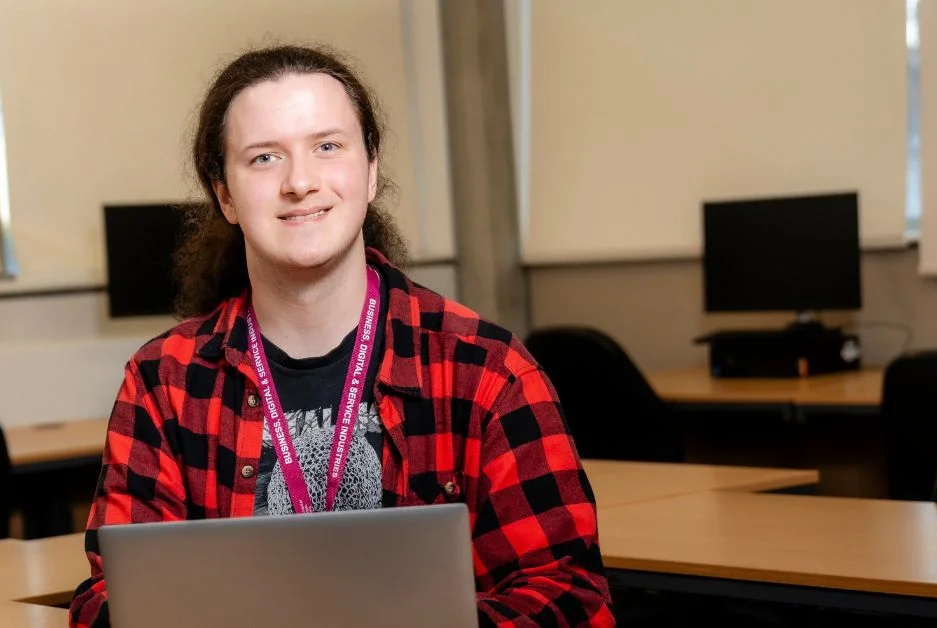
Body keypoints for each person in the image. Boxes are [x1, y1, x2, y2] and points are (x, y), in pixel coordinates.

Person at [70, 44, 615, 627]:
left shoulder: (486, 370)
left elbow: (571, 596)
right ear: (224, 195)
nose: (300, 182)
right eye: (263, 159)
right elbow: (109, 599)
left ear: (371, 169)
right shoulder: (165, 380)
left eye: (327, 147)